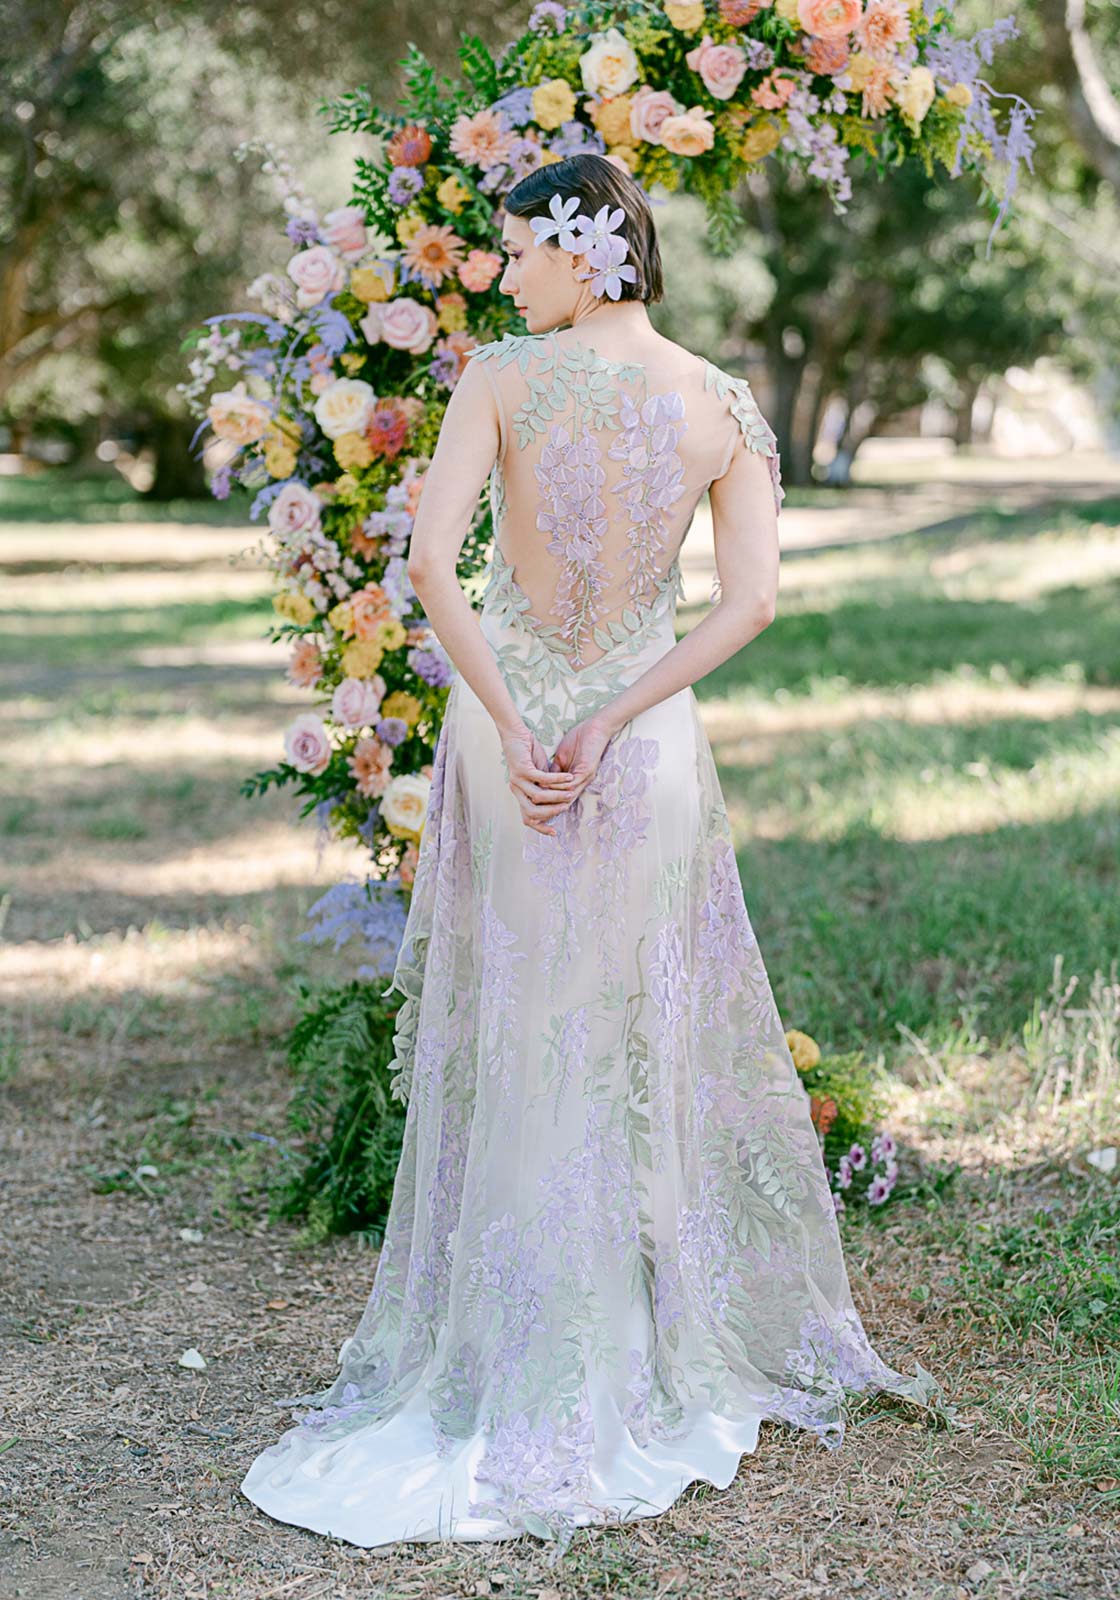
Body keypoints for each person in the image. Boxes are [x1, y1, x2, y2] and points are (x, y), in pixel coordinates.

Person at [239, 153, 943, 1553]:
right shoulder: (721, 403)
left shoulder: (501, 378)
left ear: (582, 253)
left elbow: (436, 568)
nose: (506, 277)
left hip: (516, 739)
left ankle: (514, 1352)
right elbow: (752, 603)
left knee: (526, 1025)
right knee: (631, 1029)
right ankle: (638, 1342)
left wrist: (517, 721)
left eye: (516, 253)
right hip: (647, 743)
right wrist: (622, 710)